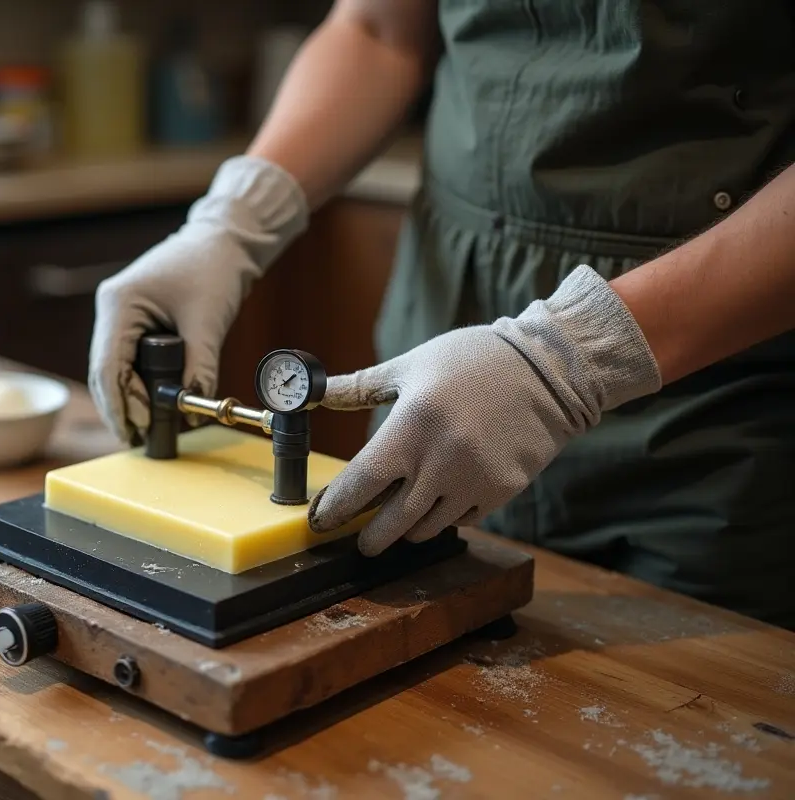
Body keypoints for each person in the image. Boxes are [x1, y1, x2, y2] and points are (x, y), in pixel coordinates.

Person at [88, 0, 795, 630]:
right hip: (441, 361)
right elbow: (379, 29)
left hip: (712, 414)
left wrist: (566, 360)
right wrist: (232, 220)